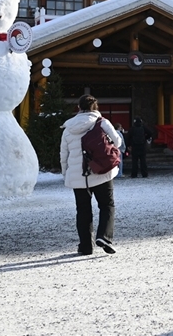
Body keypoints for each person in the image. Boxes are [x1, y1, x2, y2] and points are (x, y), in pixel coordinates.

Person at [60, 95, 122, 256]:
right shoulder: (102, 122)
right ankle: (104, 236)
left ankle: (86, 247)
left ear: (79, 108)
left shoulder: (68, 128)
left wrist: (66, 173)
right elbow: (118, 142)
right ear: (95, 107)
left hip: (78, 175)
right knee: (107, 205)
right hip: (101, 171)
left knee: (83, 210)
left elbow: (64, 154)